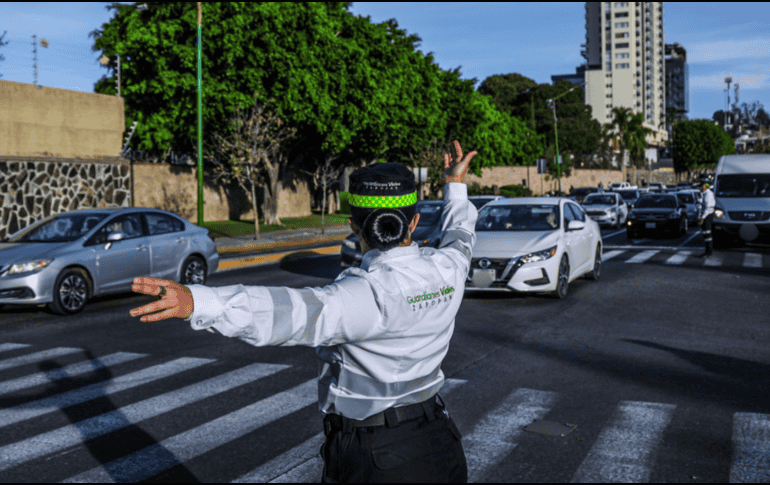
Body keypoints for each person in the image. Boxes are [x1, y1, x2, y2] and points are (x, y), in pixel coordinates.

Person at [128, 140, 478, 483]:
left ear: (353, 226)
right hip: (440, 440)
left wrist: (199, 303)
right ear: (413, 223)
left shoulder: (366, 294)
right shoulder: (447, 269)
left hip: (380, 458)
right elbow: (460, 234)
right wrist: (454, 185)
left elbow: (287, 312)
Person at [698, 181, 716, 257]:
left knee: (707, 235)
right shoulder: (705, 194)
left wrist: (702, 218)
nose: (699, 188)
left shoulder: (708, 195)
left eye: (701, 186)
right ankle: (707, 252)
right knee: (706, 235)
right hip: (706, 215)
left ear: (705, 186)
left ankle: (709, 253)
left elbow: (708, 208)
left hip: (707, 216)